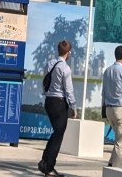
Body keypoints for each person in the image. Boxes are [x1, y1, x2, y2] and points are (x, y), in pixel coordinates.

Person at [39, 39, 76, 177]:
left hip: (49, 101)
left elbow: (44, 81)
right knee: (58, 136)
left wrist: (46, 94)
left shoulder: (50, 64)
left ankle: (44, 162)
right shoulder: (65, 68)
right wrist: (74, 106)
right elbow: (69, 89)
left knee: (56, 133)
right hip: (60, 104)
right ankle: (49, 168)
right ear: (68, 53)